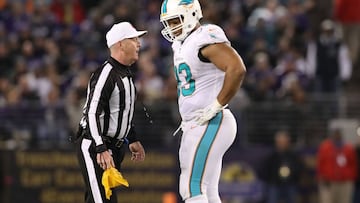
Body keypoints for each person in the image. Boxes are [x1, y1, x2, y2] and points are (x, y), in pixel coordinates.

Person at [159, 0, 247, 202]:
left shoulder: (204, 36)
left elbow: (236, 68)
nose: (172, 27)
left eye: (175, 21)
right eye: (169, 23)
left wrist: (216, 104)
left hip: (210, 120)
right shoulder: (180, 44)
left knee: (191, 187)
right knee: (208, 190)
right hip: (195, 123)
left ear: (191, 14)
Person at [75, 22, 146, 203]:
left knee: (100, 198)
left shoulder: (126, 74)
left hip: (113, 147)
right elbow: (91, 113)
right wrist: (100, 148)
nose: (139, 44)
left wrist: (133, 137)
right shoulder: (106, 73)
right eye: (134, 39)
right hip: (96, 146)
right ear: (120, 44)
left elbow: (122, 112)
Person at [260, 130, 303, 203]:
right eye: (280, 142)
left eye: (284, 141)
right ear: (276, 142)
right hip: (275, 185)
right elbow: (264, 170)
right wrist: (271, 179)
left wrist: (294, 177)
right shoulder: (272, 157)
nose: (282, 144)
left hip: (290, 184)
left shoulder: (293, 156)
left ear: (288, 142)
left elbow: (299, 168)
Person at [316, 128, 357, 203]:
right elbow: (320, 164)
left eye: (338, 134)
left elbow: (353, 165)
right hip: (328, 182)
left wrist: (350, 178)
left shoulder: (349, 148)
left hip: (345, 183)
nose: (337, 136)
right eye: (335, 134)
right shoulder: (325, 147)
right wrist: (322, 177)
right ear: (331, 136)